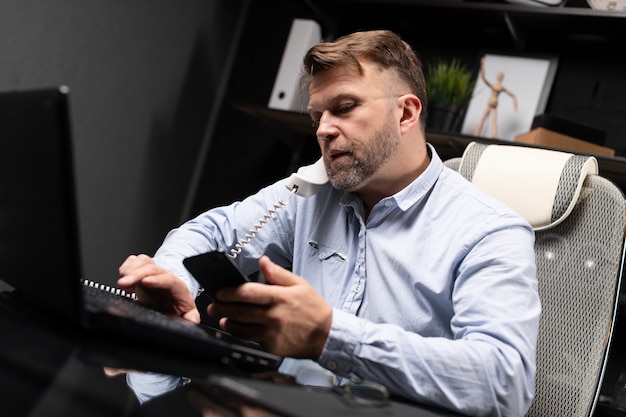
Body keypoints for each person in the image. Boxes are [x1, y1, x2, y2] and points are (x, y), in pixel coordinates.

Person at [116, 30, 540, 417]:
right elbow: (211, 231)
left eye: (344, 108)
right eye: (317, 115)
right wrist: (172, 280)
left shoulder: (490, 231)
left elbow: (505, 385)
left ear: (406, 113)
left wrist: (329, 335)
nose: (323, 130)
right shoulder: (311, 192)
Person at [473, 57, 518, 138]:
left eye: (501, 76)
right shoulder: (494, 85)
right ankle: (477, 133)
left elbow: (512, 95)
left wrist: (515, 105)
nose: (500, 77)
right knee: (484, 118)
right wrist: (482, 65)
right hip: (491, 102)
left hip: (495, 103)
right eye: (499, 75)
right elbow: (484, 78)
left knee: (494, 120)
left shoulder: (501, 87)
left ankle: (494, 136)